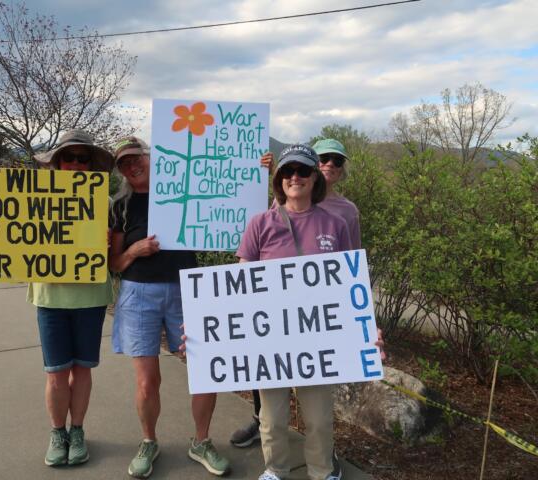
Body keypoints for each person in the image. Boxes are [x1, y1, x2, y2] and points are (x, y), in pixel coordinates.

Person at [236, 144, 384, 480]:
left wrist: (366, 328)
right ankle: (275, 469)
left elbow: (351, 282)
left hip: (317, 338)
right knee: (272, 418)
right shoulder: (260, 224)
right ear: (279, 180)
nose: (295, 177)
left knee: (318, 418)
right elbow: (239, 286)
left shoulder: (335, 224)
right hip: (271, 337)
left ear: (314, 178)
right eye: (288, 171)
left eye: (303, 171)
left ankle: (322, 470)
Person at [109, 136, 230, 479]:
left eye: (137, 158)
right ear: (120, 171)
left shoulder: (186, 191)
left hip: (187, 290)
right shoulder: (121, 206)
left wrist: (259, 169)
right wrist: (134, 251)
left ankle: (201, 441)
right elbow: (114, 263)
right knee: (147, 381)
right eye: (124, 163)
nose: (132, 166)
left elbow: (227, 193)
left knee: (205, 370)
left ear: (151, 157)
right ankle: (149, 441)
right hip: (138, 295)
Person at [30, 129, 115, 467]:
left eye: (83, 158)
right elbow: (4, 233)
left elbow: (117, 255)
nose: (76, 164)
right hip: (50, 296)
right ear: (57, 162)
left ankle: (76, 430)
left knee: (82, 370)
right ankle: (57, 432)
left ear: (91, 164)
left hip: (90, 298)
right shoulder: (35, 198)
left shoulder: (105, 203)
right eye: (69, 157)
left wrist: (107, 244)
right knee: (55, 372)